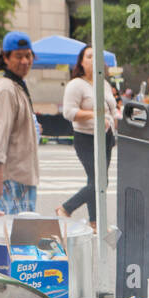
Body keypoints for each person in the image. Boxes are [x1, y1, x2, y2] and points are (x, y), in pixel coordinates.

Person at [57, 45, 116, 230]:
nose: (93, 60)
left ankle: (95, 221)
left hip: (106, 137)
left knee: (95, 181)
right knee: (100, 181)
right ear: (81, 62)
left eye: (97, 57)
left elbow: (112, 109)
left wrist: (113, 122)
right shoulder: (76, 84)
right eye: (89, 56)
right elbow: (68, 112)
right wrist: (95, 115)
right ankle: (66, 208)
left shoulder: (104, 84)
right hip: (86, 137)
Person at [0, 31, 40, 214]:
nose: (25, 61)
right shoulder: (5, 88)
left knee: (17, 234)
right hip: (11, 178)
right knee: (12, 235)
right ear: (5, 58)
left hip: (20, 176)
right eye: (18, 56)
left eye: (28, 56)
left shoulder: (15, 84)